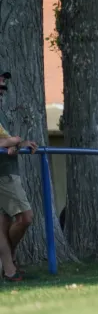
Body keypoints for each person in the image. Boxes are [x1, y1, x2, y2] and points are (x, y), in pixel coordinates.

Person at [0, 70, 38, 282]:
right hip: (3, 177)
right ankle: (11, 260)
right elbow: (6, 141)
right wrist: (14, 140)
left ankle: (9, 272)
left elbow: (7, 141)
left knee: (3, 225)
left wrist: (18, 142)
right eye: (0, 83)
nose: (2, 87)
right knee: (25, 217)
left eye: (4, 84)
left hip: (6, 173)